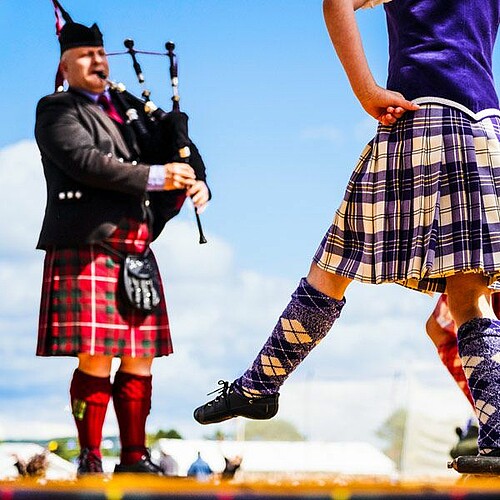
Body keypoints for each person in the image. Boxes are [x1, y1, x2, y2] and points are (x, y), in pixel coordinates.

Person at [194, 0, 500, 462]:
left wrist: (365, 90)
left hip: (421, 120)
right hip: (483, 129)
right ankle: (497, 430)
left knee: (335, 264)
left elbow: (337, 0)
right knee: (468, 293)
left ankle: (260, 384)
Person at [35, 19, 209, 476]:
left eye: (101, 53)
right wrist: (155, 176)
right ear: (65, 66)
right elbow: (84, 161)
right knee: (95, 353)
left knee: (140, 355)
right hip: (87, 242)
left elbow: (174, 139)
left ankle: (133, 457)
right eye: (86, 55)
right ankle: (91, 457)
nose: (98, 61)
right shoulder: (56, 110)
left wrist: (198, 178)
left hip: (135, 245)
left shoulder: (127, 107)